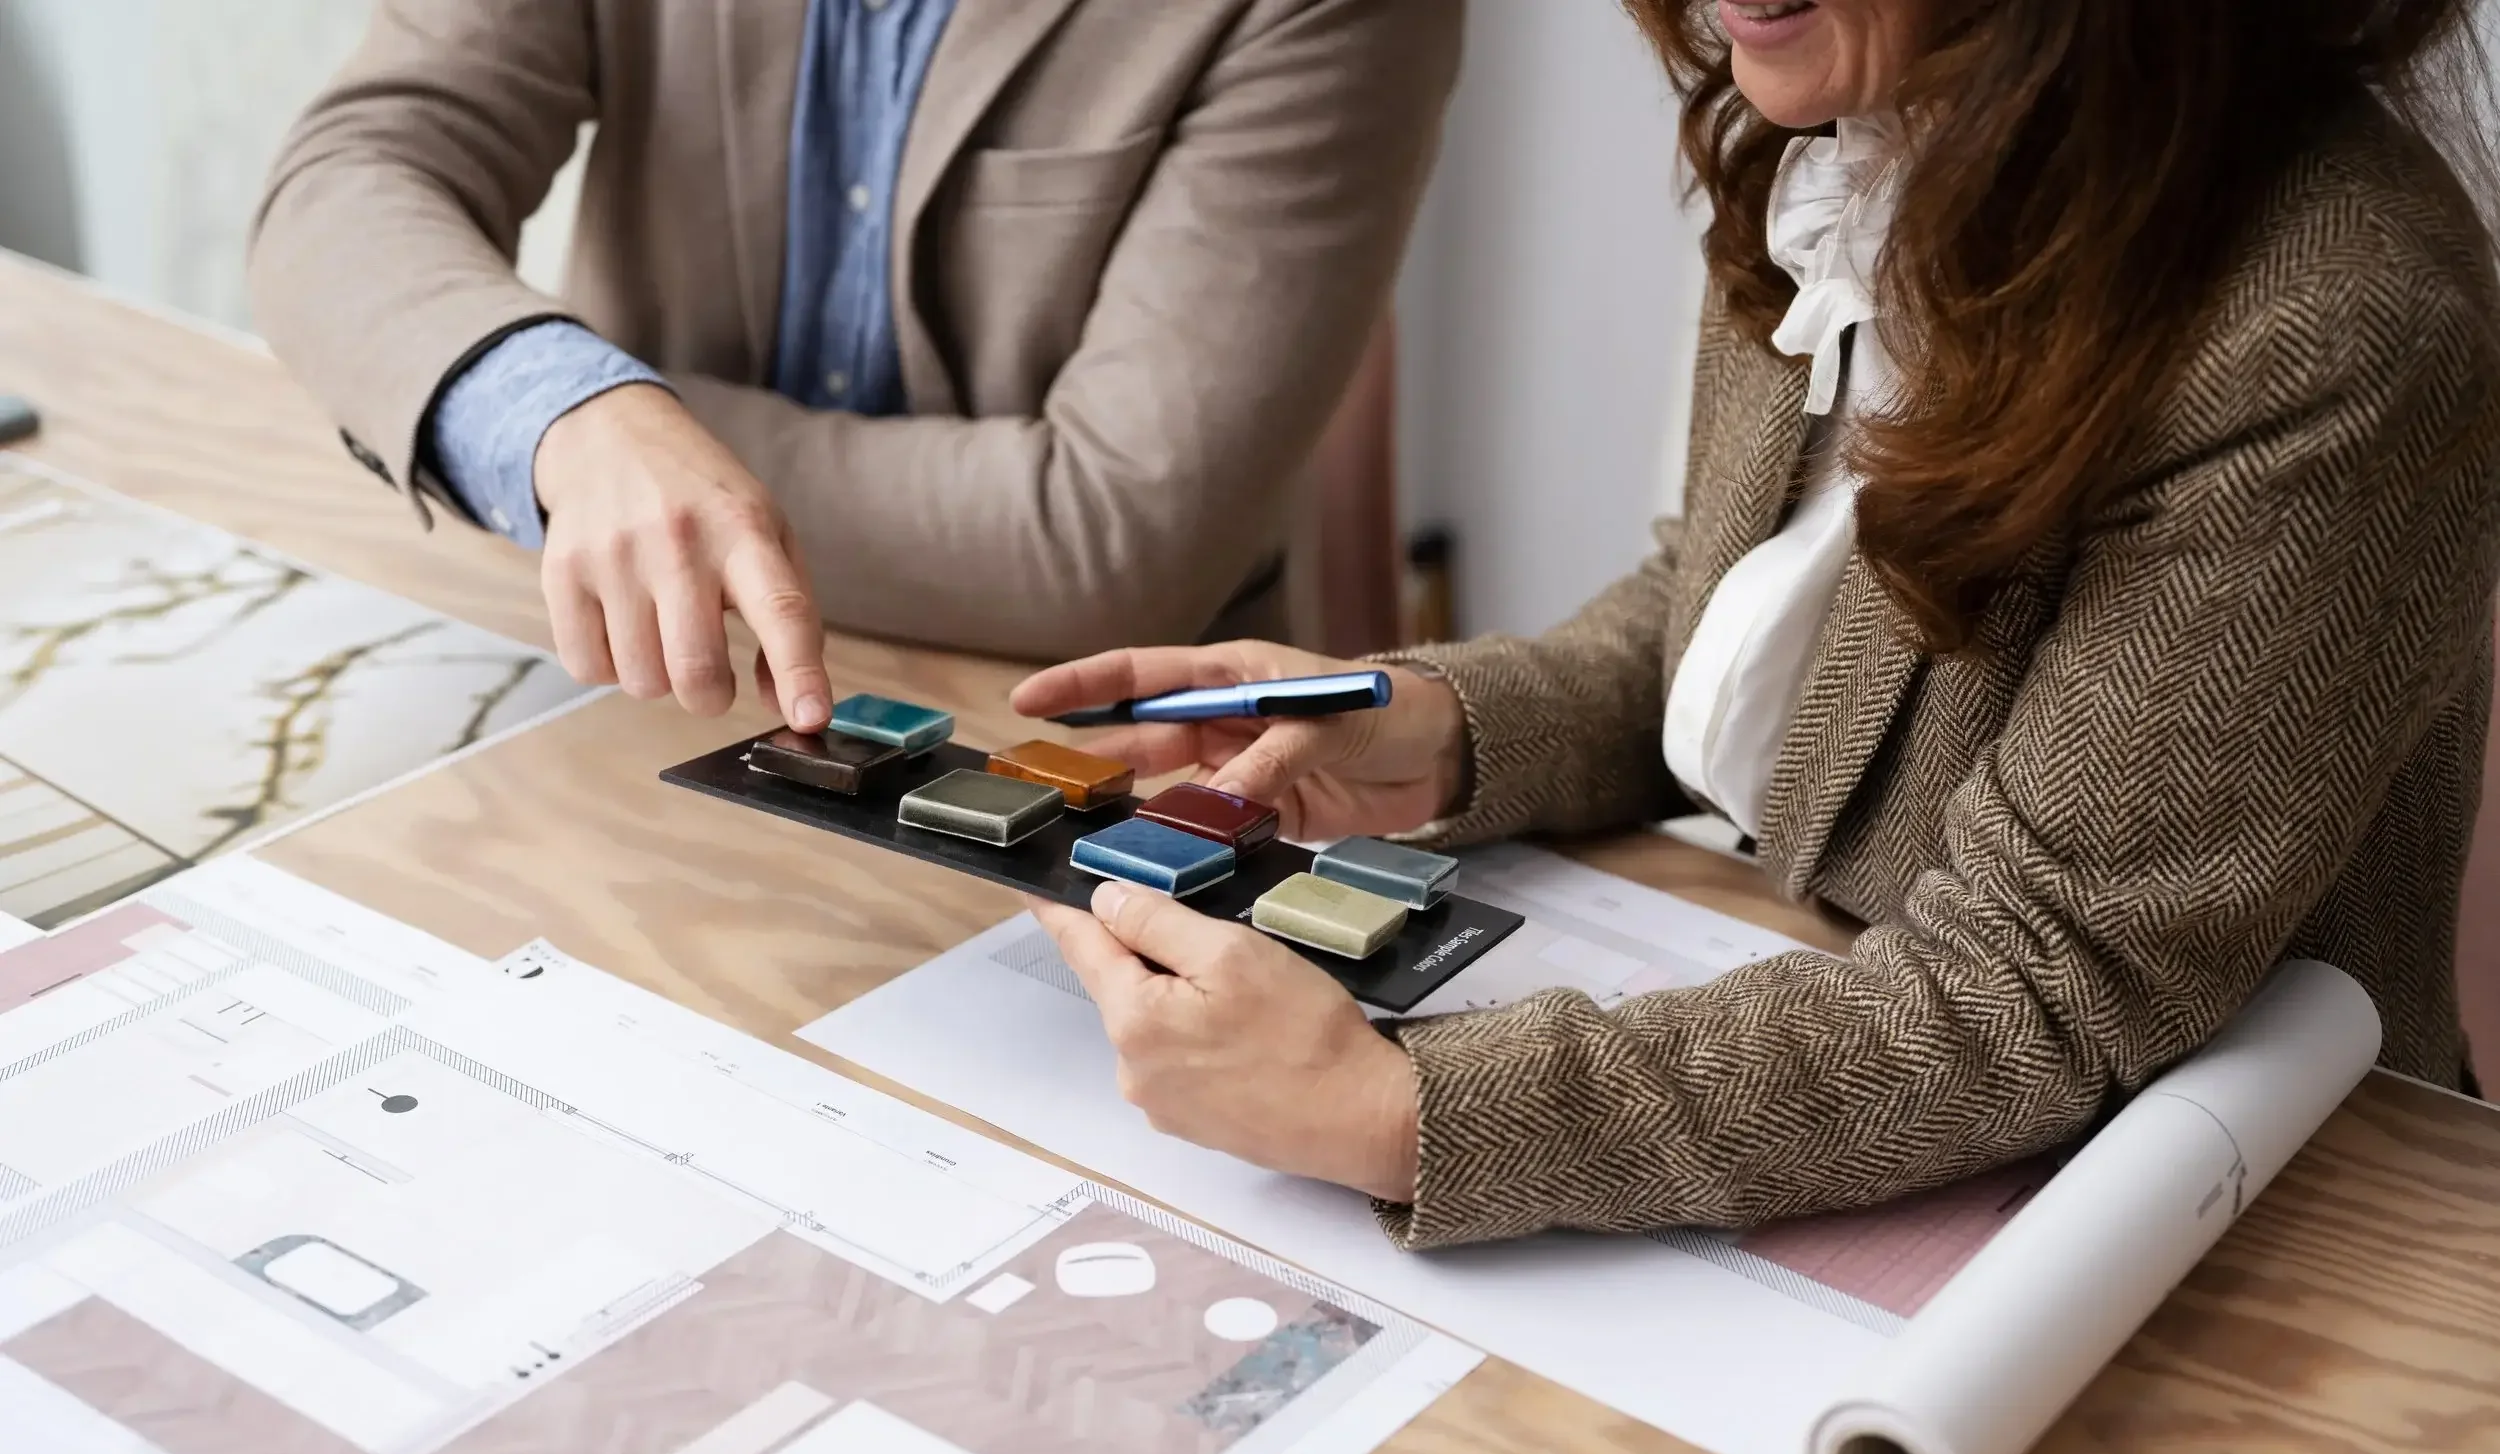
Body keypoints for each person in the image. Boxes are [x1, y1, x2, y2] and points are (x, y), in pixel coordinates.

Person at [1013, 0, 2500, 1250]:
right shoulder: (1838, 127)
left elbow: (2042, 986)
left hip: (2222, 1233)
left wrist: (1414, 1112)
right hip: (1832, 1053)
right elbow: (1728, 603)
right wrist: (1436, 726)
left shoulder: (2336, 320)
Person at [247, 0, 1461, 734]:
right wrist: (575, 416)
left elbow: (1111, 538)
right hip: (629, 682)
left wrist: (602, 443)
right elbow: (350, 178)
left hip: (1081, 750)